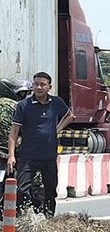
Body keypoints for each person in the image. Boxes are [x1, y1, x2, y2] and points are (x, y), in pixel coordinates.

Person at [7, 72, 73, 217]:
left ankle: (48, 218)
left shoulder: (56, 103)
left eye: (42, 84)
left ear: (49, 87)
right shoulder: (23, 106)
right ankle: (21, 219)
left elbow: (70, 116)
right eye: (36, 84)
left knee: (50, 191)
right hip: (28, 156)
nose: (38, 87)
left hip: (49, 156)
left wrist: (57, 129)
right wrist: (11, 155)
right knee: (21, 190)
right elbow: (14, 132)